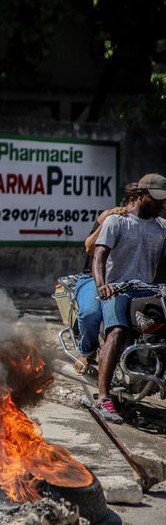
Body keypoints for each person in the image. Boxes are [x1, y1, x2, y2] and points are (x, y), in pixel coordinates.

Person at [91, 173, 166, 423]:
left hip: (148, 291)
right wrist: (103, 286)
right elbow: (99, 256)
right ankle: (103, 398)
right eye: (156, 199)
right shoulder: (117, 222)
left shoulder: (162, 227)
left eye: (163, 200)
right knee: (118, 332)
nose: (160, 205)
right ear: (141, 195)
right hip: (118, 290)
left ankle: (152, 373)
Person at [72, 183, 136, 374]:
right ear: (133, 200)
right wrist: (107, 221)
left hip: (126, 281)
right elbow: (89, 247)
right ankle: (88, 350)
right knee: (90, 313)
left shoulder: (152, 224)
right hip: (93, 277)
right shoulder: (110, 217)